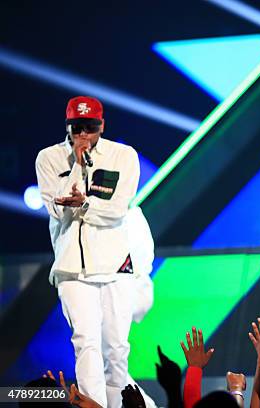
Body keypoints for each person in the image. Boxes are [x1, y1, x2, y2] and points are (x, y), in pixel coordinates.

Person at [35, 96, 140, 407]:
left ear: (102, 125)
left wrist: (85, 204)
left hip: (115, 264)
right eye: (77, 127)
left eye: (90, 127)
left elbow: (118, 209)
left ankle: (121, 405)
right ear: (67, 126)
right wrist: (79, 167)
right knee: (86, 344)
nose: (83, 135)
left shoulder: (123, 156)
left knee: (117, 348)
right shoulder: (49, 158)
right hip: (72, 269)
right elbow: (57, 210)